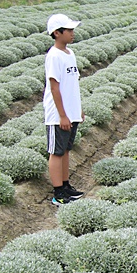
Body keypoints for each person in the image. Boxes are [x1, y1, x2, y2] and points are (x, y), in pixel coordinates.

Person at [44, 13, 85, 206]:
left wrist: (78, 110)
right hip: (58, 115)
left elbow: (72, 85)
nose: (72, 33)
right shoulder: (54, 56)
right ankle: (58, 193)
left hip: (71, 112)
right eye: (69, 30)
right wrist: (62, 115)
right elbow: (54, 87)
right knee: (56, 152)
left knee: (66, 150)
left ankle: (66, 185)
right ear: (57, 33)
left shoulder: (70, 54)